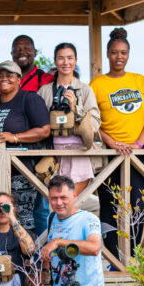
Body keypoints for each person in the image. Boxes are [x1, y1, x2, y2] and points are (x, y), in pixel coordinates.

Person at [90, 28, 144, 259]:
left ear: (128, 54)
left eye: (123, 52)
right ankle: (111, 258)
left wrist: (139, 144)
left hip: (137, 153)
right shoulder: (97, 84)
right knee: (109, 205)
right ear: (107, 55)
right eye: (114, 52)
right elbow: (91, 120)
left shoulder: (139, 80)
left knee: (137, 205)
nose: (119, 57)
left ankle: (132, 257)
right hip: (110, 153)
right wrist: (112, 142)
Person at [0, 35, 55, 231]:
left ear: (19, 80)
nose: (4, 79)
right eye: (0, 76)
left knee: (24, 222)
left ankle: (31, 262)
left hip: (24, 173)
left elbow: (44, 130)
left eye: (10, 75)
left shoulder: (29, 99)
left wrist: (14, 137)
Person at [38, 43, 101, 195]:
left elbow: (95, 122)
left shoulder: (85, 89)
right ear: (55, 61)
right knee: (55, 202)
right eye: (61, 58)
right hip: (53, 155)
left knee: (72, 200)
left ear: (76, 60)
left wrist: (75, 108)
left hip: (79, 152)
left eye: (70, 58)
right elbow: (38, 122)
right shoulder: (45, 91)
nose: (65, 62)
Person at [0, 35, 54, 108]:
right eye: (17, 49)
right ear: (11, 53)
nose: (22, 52)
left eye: (26, 48)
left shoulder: (47, 79)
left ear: (35, 52)